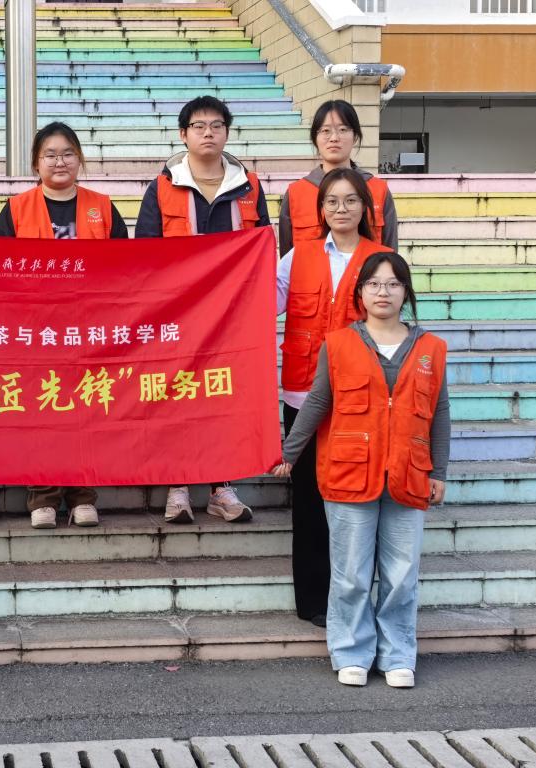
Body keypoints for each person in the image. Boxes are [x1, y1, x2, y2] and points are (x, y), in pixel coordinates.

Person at [273, 251, 450, 689]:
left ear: (406, 292)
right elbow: (318, 401)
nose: (383, 292)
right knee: (351, 573)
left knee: (401, 575)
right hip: (349, 473)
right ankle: (351, 651)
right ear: (360, 293)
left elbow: (439, 412)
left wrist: (439, 471)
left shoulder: (431, 348)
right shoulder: (338, 344)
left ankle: (397, 655)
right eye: (374, 284)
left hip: (409, 473)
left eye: (392, 284)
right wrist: (289, 452)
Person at [135, 94, 270, 525]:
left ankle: (220, 487)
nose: (207, 132)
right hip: (178, 316)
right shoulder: (163, 186)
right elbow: (145, 254)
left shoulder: (249, 186)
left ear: (227, 132)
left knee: (224, 396)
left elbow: (262, 251)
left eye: (216, 125)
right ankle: (178, 485)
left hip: (232, 318)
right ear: (183, 134)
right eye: (198, 126)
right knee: (178, 397)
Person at [0, 121, 128, 528]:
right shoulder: (16, 209)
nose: (59, 161)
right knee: (43, 411)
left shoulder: (102, 207)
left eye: (68, 153)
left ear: (80, 159)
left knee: (86, 410)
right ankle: (43, 497)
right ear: (36, 163)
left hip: (89, 330)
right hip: (36, 331)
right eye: (50, 155)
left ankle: (83, 495)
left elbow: (126, 268)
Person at [276, 167, 394, 628]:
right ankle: (313, 601)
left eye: (350, 200)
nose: (341, 209)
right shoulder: (297, 256)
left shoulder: (381, 260)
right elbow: (263, 302)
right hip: (302, 394)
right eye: (331, 202)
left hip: (359, 399)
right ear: (320, 210)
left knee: (354, 501)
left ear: (365, 207)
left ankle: (354, 596)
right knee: (308, 500)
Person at [278, 99, 398, 257]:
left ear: (355, 136)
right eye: (325, 131)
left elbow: (391, 255)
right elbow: (287, 257)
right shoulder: (296, 193)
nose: (334, 138)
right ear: (315, 138)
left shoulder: (378, 190)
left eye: (342, 129)